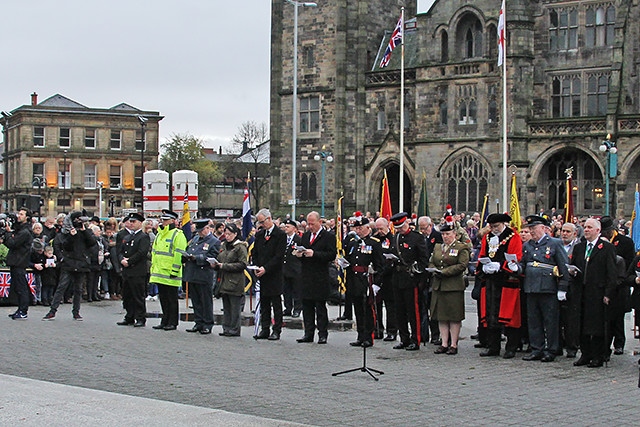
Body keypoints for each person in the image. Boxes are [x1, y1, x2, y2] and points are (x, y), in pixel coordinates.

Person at [517, 215, 569, 362]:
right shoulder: (527, 245)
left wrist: (563, 288)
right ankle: (536, 348)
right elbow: (524, 264)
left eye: (534, 228)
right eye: (530, 229)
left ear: (543, 228)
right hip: (531, 287)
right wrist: (516, 267)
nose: (531, 231)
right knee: (533, 321)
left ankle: (551, 349)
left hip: (548, 287)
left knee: (550, 321)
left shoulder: (554, 243)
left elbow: (563, 267)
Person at [569, 218, 617, 368]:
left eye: (590, 227)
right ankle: (585, 354)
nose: (587, 230)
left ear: (598, 230)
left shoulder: (606, 248)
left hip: (597, 292)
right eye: (585, 227)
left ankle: (598, 355)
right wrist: (573, 272)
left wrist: (608, 293)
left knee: (596, 326)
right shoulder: (579, 248)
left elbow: (611, 273)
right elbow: (575, 266)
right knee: (582, 324)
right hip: (581, 291)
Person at [475, 213, 523, 359]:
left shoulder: (513, 237)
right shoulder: (487, 237)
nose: (494, 229)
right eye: (491, 226)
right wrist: (483, 266)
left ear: (503, 224)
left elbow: (516, 257)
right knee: (491, 315)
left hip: (506, 281)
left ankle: (511, 347)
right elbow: (482, 254)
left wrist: (501, 266)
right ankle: (493, 346)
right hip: (490, 282)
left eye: (496, 226)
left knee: (509, 316)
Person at [43, 211, 97, 321]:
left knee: (78, 289)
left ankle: (76, 312)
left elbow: (92, 243)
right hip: (69, 263)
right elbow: (65, 246)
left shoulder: (86, 231)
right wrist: (71, 236)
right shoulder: (65, 233)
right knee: (62, 286)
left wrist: (84, 231)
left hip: (81, 262)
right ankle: (52, 310)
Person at [295, 211, 337, 344]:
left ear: (320, 222)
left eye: (312, 223)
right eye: (308, 223)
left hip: (320, 277)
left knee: (320, 308)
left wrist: (315, 254)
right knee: (306, 307)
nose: (310, 226)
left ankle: (322, 334)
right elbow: (303, 250)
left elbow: (331, 255)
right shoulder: (306, 235)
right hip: (306, 276)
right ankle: (308, 333)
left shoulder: (328, 236)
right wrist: (299, 254)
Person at [389, 212, 428, 351]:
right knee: (399, 311)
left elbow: (424, 259)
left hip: (411, 278)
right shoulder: (396, 237)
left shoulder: (416, 238)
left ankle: (415, 339)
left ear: (407, 223)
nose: (399, 230)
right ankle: (404, 338)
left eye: (401, 227)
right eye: (397, 228)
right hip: (397, 277)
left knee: (413, 311)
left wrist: (419, 275)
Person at [345, 212, 384, 348]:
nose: (358, 231)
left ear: (368, 228)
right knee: (358, 310)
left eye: (360, 228)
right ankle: (360, 335)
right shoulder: (354, 243)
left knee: (368, 310)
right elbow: (352, 260)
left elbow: (380, 265)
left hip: (367, 280)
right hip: (355, 279)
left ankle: (369, 336)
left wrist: (377, 284)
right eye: (356, 228)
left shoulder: (374, 243)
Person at [430, 224, 470, 355]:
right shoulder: (437, 247)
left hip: (453, 285)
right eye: (443, 234)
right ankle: (444, 343)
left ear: (455, 234)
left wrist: (445, 272)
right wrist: (433, 269)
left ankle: (453, 344)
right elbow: (432, 261)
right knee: (441, 316)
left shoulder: (461, 247)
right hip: (439, 285)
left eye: (448, 234)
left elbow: (462, 265)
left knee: (454, 315)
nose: (445, 237)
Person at [599, 216, 635, 357]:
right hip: (605, 284)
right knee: (606, 318)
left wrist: (621, 279)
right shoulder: (600, 242)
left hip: (620, 285)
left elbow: (629, 263)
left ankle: (619, 344)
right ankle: (605, 345)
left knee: (618, 318)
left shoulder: (625, 242)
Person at [252, 208, 287, 340]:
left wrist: (266, 268)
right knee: (264, 303)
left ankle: (276, 329)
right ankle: (264, 328)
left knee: (276, 303)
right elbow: (255, 252)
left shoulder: (280, 235)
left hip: (274, 274)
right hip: (262, 274)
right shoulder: (260, 235)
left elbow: (278, 256)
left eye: (262, 221)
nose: (261, 225)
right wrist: (256, 266)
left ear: (269, 219)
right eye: (259, 222)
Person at [149, 209, 187, 331]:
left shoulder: (178, 234)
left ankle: (172, 322)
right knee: (164, 299)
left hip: (171, 273)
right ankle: (165, 320)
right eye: (162, 220)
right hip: (160, 272)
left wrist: (175, 271)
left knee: (172, 300)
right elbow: (155, 253)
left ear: (173, 221)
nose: (163, 222)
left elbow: (179, 254)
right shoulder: (159, 234)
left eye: (166, 220)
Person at [183, 219, 220, 335]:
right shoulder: (195, 239)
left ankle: (208, 324)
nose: (199, 233)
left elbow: (212, 257)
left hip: (204, 274)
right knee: (196, 301)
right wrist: (186, 256)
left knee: (206, 301)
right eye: (198, 231)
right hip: (193, 273)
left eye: (201, 231)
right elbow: (189, 250)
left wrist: (197, 258)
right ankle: (198, 322)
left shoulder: (214, 241)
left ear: (207, 228)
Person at [116, 212, 151, 327]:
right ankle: (129, 315)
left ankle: (140, 317)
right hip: (127, 271)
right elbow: (120, 250)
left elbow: (141, 253)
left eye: (133, 222)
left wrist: (129, 261)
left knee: (138, 295)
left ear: (140, 223)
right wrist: (121, 259)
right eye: (130, 222)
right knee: (127, 295)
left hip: (137, 270)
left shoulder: (143, 237)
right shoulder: (127, 237)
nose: (131, 224)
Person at [213, 222, 248, 337]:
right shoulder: (223, 245)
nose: (227, 236)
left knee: (234, 307)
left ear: (235, 234)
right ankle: (226, 327)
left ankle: (234, 328)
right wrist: (215, 264)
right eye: (225, 234)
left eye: (229, 234)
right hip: (224, 280)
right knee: (226, 307)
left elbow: (243, 264)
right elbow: (220, 258)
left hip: (235, 281)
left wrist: (224, 266)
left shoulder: (240, 247)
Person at [417, 216, 443, 345]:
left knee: (434, 308)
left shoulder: (437, 236)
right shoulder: (420, 237)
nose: (423, 231)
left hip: (434, 277)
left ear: (430, 225)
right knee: (423, 307)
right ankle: (423, 334)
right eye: (420, 228)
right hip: (423, 276)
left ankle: (436, 335)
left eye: (424, 228)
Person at [5, 207, 34, 320]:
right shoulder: (21, 230)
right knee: (18, 287)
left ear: (27, 217)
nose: (19, 216)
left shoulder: (25, 232)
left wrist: (8, 234)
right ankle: (20, 309)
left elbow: (13, 243)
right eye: (19, 213)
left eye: (21, 214)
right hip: (16, 261)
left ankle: (23, 310)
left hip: (19, 261)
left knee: (21, 287)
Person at [373, 217, 397, 341]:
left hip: (389, 277)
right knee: (377, 305)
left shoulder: (393, 239)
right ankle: (378, 329)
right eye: (377, 229)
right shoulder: (376, 239)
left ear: (387, 226)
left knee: (390, 306)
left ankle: (392, 331)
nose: (379, 231)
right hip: (377, 276)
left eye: (381, 228)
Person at [559, 221, 580, 357]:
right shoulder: (556, 245)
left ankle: (572, 347)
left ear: (575, 233)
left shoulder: (579, 247)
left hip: (573, 286)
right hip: (557, 284)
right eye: (563, 231)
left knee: (571, 320)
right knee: (557, 318)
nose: (564, 234)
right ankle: (558, 345)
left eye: (568, 232)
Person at [282, 219, 302, 318]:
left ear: (294, 229)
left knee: (296, 290)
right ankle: (288, 308)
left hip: (295, 269)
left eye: (288, 227)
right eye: (285, 226)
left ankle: (297, 309)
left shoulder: (298, 239)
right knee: (286, 291)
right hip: (285, 269)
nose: (286, 228)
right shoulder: (283, 239)